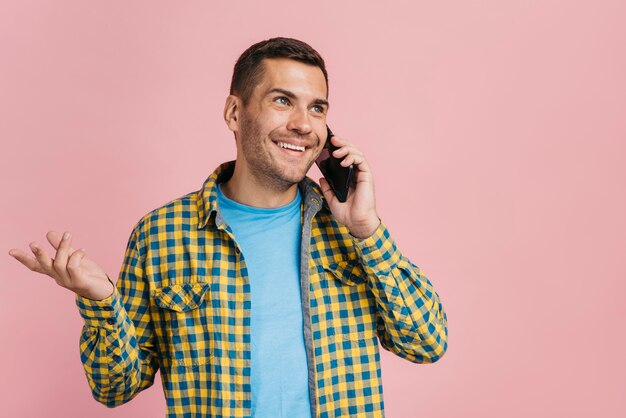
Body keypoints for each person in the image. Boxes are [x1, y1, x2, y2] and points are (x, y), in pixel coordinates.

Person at [9, 37, 448, 418]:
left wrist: (368, 231)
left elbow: (427, 342)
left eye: (317, 108)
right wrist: (101, 300)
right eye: (282, 100)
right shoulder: (162, 234)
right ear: (235, 113)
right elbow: (114, 387)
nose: (302, 123)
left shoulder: (350, 231)